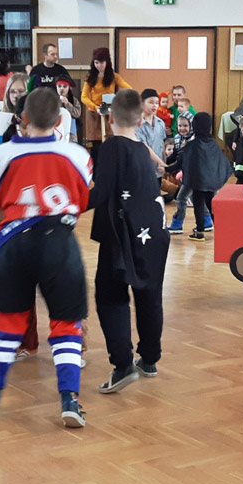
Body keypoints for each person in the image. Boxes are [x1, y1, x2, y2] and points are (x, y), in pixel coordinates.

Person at [0, 88, 91, 428]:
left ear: (22, 118)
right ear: (58, 121)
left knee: (9, 320)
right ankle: (69, 399)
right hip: (59, 242)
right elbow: (82, 200)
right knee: (66, 324)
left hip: (14, 243)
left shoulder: (0, 154)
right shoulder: (77, 154)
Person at [89, 88, 170, 393]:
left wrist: (63, 206)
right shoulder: (142, 149)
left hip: (122, 234)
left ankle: (122, 364)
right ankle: (149, 359)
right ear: (140, 119)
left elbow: (101, 193)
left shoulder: (112, 147)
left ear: (110, 117)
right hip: (154, 232)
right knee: (149, 295)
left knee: (110, 295)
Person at [171, 112, 232, 242]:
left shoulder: (192, 144)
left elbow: (182, 162)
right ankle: (222, 230)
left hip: (198, 181)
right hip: (211, 182)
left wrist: (166, 168)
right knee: (211, 205)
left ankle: (199, 232)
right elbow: (222, 162)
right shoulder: (212, 143)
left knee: (198, 204)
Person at [82, 47, 131, 162]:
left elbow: (128, 88)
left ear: (107, 62)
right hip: (95, 114)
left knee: (110, 143)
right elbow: (84, 97)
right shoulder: (90, 78)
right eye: (96, 62)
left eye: (102, 62)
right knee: (96, 146)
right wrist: (96, 107)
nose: (99, 65)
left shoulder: (114, 77)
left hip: (110, 112)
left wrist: (120, 102)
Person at [137, 88, 168, 181]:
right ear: (142, 103)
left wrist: (163, 163)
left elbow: (162, 145)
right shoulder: (138, 124)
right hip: (143, 170)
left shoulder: (160, 123)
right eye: (151, 102)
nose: (154, 105)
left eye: (157, 103)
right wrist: (161, 162)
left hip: (158, 170)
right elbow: (144, 147)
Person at [56, 75, 81, 142]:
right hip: (56, 131)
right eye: (59, 86)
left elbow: (77, 114)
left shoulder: (74, 100)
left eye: (64, 86)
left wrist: (67, 104)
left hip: (71, 132)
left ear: (69, 88)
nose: (62, 88)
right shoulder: (53, 100)